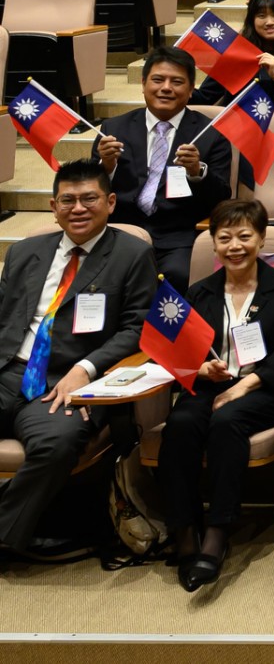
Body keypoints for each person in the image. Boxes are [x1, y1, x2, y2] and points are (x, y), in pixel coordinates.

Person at [0, 159, 154, 556]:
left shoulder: (132, 254)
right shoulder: (24, 252)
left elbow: (136, 329)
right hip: (8, 370)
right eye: (67, 200)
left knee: (56, 445)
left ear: (111, 202)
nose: (78, 208)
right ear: (53, 206)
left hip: (65, 384)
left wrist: (85, 371)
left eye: (89, 198)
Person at [157, 199, 274, 591]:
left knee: (227, 421)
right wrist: (201, 368)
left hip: (264, 389)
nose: (234, 246)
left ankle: (218, 533)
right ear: (213, 243)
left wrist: (244, 385)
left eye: (244, 236)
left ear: (261, 238)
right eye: (224, 238)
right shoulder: (199, 291)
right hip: (211, 385)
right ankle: (185, 530)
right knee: (181, 423)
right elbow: (184, 353)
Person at [93, 46, 232, 289]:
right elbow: (91, 190)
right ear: (144, 83)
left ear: (190, 90)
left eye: (177, 81)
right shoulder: (114, 128)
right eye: (158, 80)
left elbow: (221, 198)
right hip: (121, 231)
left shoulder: (211, 135)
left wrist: (196, 173)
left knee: (177, 276)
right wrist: (106, 167)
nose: (166, 88)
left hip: (178, 237)